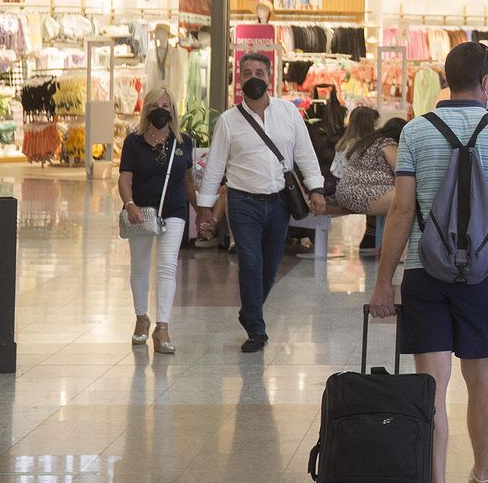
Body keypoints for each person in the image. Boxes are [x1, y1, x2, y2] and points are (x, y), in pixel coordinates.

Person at [369, 41, 488, 483]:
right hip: (483, 276)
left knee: (432, 385)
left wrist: (385, 280)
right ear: (486, 81)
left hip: (426, 272)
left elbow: (402, 211)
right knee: (481, 379)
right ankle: (481, 478)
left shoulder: (416, 132)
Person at [195, 52, 327, 353]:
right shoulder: (229, 121)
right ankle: (256, 328)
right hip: (243, 202)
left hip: (280, 202)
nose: (254, 77)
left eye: (259, 71)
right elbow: (215, 166)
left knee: (270, 266)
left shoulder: (289, 113)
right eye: (247, 72)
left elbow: (304, 153)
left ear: (270, 77)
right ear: (239, 79)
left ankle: (249, 310)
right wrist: (205, 206)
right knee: (250, 263)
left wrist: (316, 189)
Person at [118, 87, 196, 355]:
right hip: (140, 211)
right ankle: (142, 318)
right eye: (155, 105)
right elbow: (124, 178)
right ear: (147, 110)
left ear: (173, 110)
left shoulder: (184, 142)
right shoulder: (133, 142)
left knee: (167, 267)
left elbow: (188, 182)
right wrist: (130, 205)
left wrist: (204, 211)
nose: (161, 110)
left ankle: (162, 327)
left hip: (174, 209)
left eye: (166, 105)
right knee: (140, 266)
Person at [331, 105, 381, 254]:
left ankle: (372, 235)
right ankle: (373, 236)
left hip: (341, 188)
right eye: (375, 123)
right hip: (354, 191)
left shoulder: (343, 143)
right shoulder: (362, 146)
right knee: (387, 198)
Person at [334, 118, 407, 216]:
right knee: (407, 199)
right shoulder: (388, 143)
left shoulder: (369, 141)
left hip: (345, 191)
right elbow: (402, 171)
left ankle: (373, 231)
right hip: (364, 193)